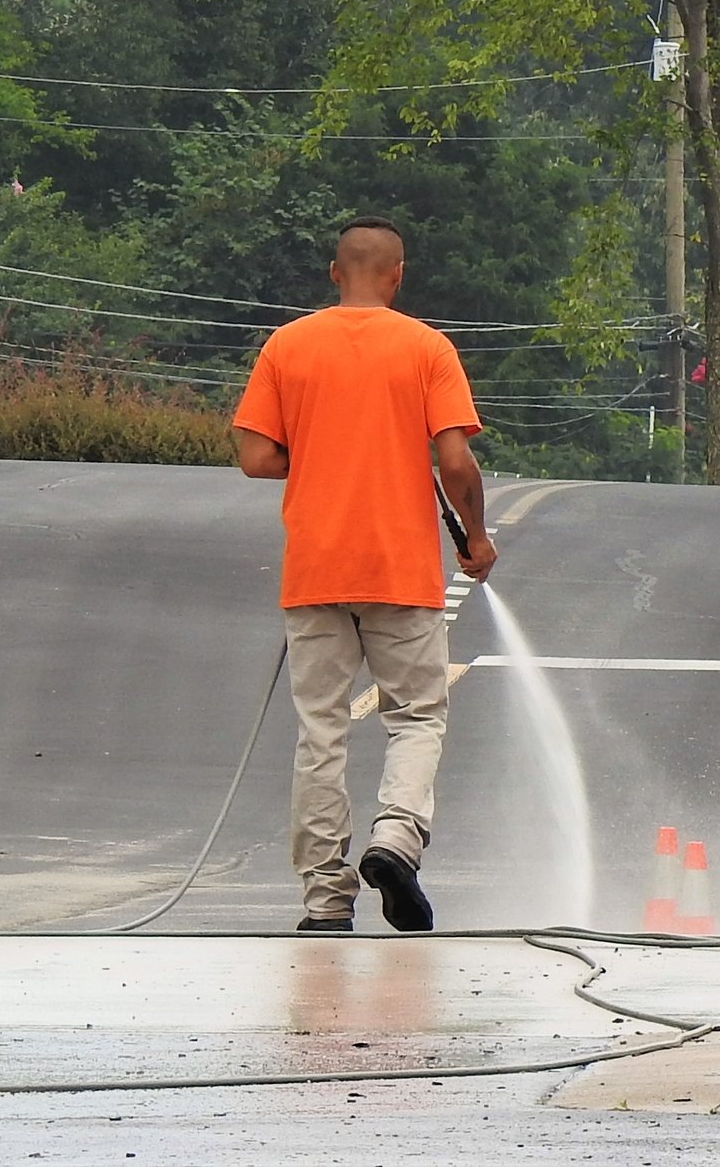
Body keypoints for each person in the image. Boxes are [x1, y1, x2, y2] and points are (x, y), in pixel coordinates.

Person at [231, 216, 497, 933]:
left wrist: (319, 453)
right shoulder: (425, 348)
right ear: (398, 274)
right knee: (416, 715)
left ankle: (324, 899)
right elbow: (454, 460)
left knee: (321, 730)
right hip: (401, 569)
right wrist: (474, 537)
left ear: (333, 271)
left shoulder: (289, 344)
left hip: (315, 568)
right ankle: (396, 840)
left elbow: (256, 457)